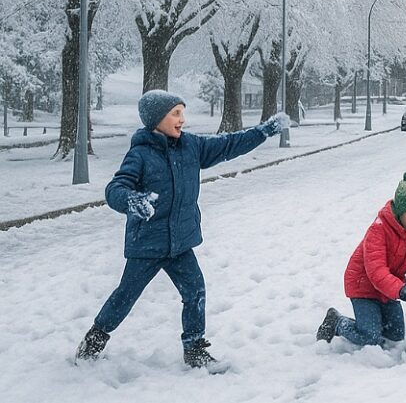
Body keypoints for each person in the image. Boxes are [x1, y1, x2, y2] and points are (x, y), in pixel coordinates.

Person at [75, 90, 288, 370]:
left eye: (182, 113)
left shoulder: (191, 147)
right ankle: (94, 339)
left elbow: (228, 144)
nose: (182, 120)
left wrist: (263, 132)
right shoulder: (139, 155)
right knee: (125, 295)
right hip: (147, 244)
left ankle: (195, 348)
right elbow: (116, 188)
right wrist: (130, 201)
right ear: (157, 119)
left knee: (195, 290)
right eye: (175, 113)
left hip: (180, 244)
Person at [316, 171, 406, 348]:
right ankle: (337, 322)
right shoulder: (378, 231)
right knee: (371, 337)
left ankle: (374, 322)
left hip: (388, 290)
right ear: (403, 211)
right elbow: (376, 271)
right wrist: (402, 290)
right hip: (363, 287)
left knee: (396, 336)